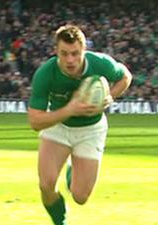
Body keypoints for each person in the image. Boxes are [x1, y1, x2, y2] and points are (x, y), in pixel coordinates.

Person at [28, 24, 132, 225]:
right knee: (46, 184)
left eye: (75, 53)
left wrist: (110, 96)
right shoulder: (46, 73)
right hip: (59, 126)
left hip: (91, 130)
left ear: (84, 50)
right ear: (56, 52)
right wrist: (69, 110)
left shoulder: (100, 63)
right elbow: (35, 121)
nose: (69, 60)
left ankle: (71, 170)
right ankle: (61, 222)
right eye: (64, 54)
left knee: (80, 196)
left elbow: (125, 76)